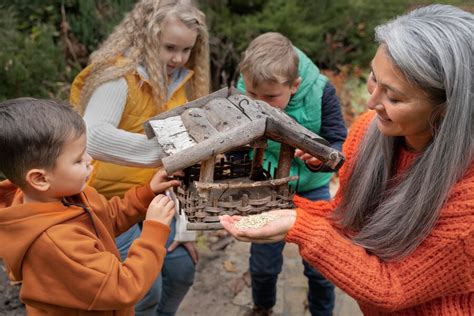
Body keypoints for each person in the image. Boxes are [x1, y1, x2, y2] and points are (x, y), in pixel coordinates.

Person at [222, 4, 474, 315]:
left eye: (393, 97)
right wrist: (275, 206)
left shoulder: (468, 200)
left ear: (449, 106)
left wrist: (300, 226)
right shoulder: (370, 133)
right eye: (372, 77)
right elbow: (348, 221)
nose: (371, 102)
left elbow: (391, 288)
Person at [69, 0, 209, 315]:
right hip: (107, 206)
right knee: (142, 292)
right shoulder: (118, 78)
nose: (178, 58)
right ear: (145, 37)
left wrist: (184, 227)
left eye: (186, 50)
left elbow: (180, 165)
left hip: (154, 199)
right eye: (170, 47)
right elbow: (93, 137)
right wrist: (166, 152)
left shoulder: (178, 83)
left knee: (182, 271)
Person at [0, 98, 180, 315]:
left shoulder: (67, 193)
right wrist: (154, 232)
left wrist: (146, 193)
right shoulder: (56, 242)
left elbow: (106, 219)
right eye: (77, 160)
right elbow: (123, 287)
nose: (90, 159)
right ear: (39, 179)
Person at [236, 32, 347, 315]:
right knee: (263, 264)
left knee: (321, 266)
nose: (259, 103)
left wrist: (320, 160)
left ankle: (322, 311)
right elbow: (232, 140)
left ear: (295, 85)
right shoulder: (244, 87)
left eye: (271, 97)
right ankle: (262, 307)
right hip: (268, 186)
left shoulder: (322, 92)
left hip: (313, 188)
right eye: (252, 95)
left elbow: (338, 142)